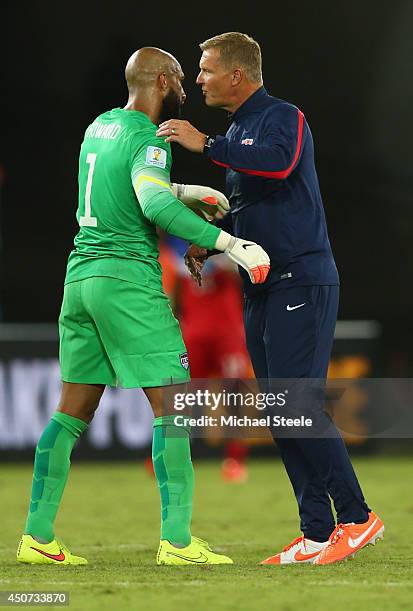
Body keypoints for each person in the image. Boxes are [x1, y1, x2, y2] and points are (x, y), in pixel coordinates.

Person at [17, 46, 271, 567]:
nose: (186, 85)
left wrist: (182, 187)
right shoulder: (149, 138)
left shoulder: (101, 127)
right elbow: (151, 203)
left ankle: (36, 536)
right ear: (160, 80)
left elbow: (120, 187)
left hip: (80, 278)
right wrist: (231, 245)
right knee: (173, 406)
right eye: (179, 76)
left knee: (72, 411)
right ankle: (177, 542)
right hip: (126, 280)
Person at [155, 32, 384, 565]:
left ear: (237, 75)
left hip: (301, 278)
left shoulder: (283, 117)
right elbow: (253, 207)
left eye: (207, 69)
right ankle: (317, 531)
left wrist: (206, 144)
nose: (199, 79)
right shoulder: (240, 129)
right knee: (281, 410)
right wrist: (211, 244)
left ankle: (356, 517)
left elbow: (278, 164)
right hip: (261, 283)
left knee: (298, 402)